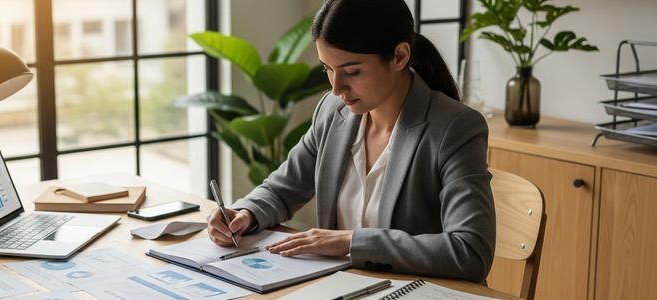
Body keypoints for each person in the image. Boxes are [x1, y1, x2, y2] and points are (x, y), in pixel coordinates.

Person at [206, 0, 495, 283]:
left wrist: (351, 242)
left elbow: (470, 251)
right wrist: (246, 213)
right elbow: (283, 190)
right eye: (327, 69)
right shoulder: (333, 112)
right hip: (339, 287)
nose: (336, 88)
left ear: (399, 56)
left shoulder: (454, 128)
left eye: (352, 71)